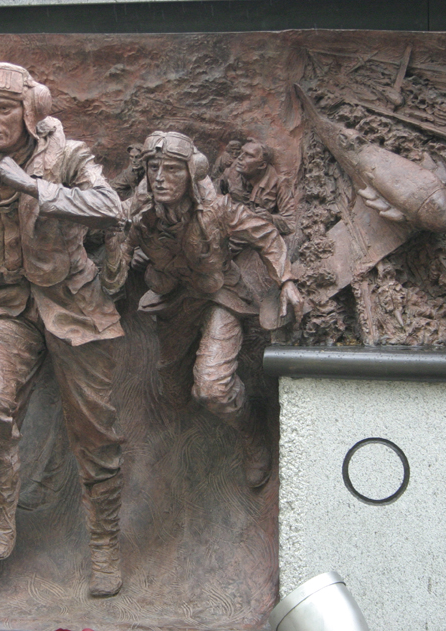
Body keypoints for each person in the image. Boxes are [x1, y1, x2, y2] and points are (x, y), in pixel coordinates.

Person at [0, 62, 127, 598]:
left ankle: (105, 543)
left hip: (74, 307)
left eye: (4, 109)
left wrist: (34, 187)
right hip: (8, 309)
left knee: (96, 437)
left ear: (30, 111)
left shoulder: (66, 155)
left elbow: (113, 210)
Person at [105, 131, 302, 488]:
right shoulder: (140, 216)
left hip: (220, 297)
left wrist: (286, 280)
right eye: (153, 169)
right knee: (176, 394)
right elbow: (114, 273)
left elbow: (266, 236)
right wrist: (117, 235)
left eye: (171, 170)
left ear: (191, 173)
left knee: (211, 388)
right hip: (174, 302)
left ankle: (252, 432)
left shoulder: (217, 210)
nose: (161, 178)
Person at [220, 138, 296, 236]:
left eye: (249, 155)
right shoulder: (229, 174)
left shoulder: (279, 184)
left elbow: (292, 224)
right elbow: (215, 201)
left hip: (262, 239)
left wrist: (271, 219)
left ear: (262, 165)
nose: (240, 157)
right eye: (242, 152)